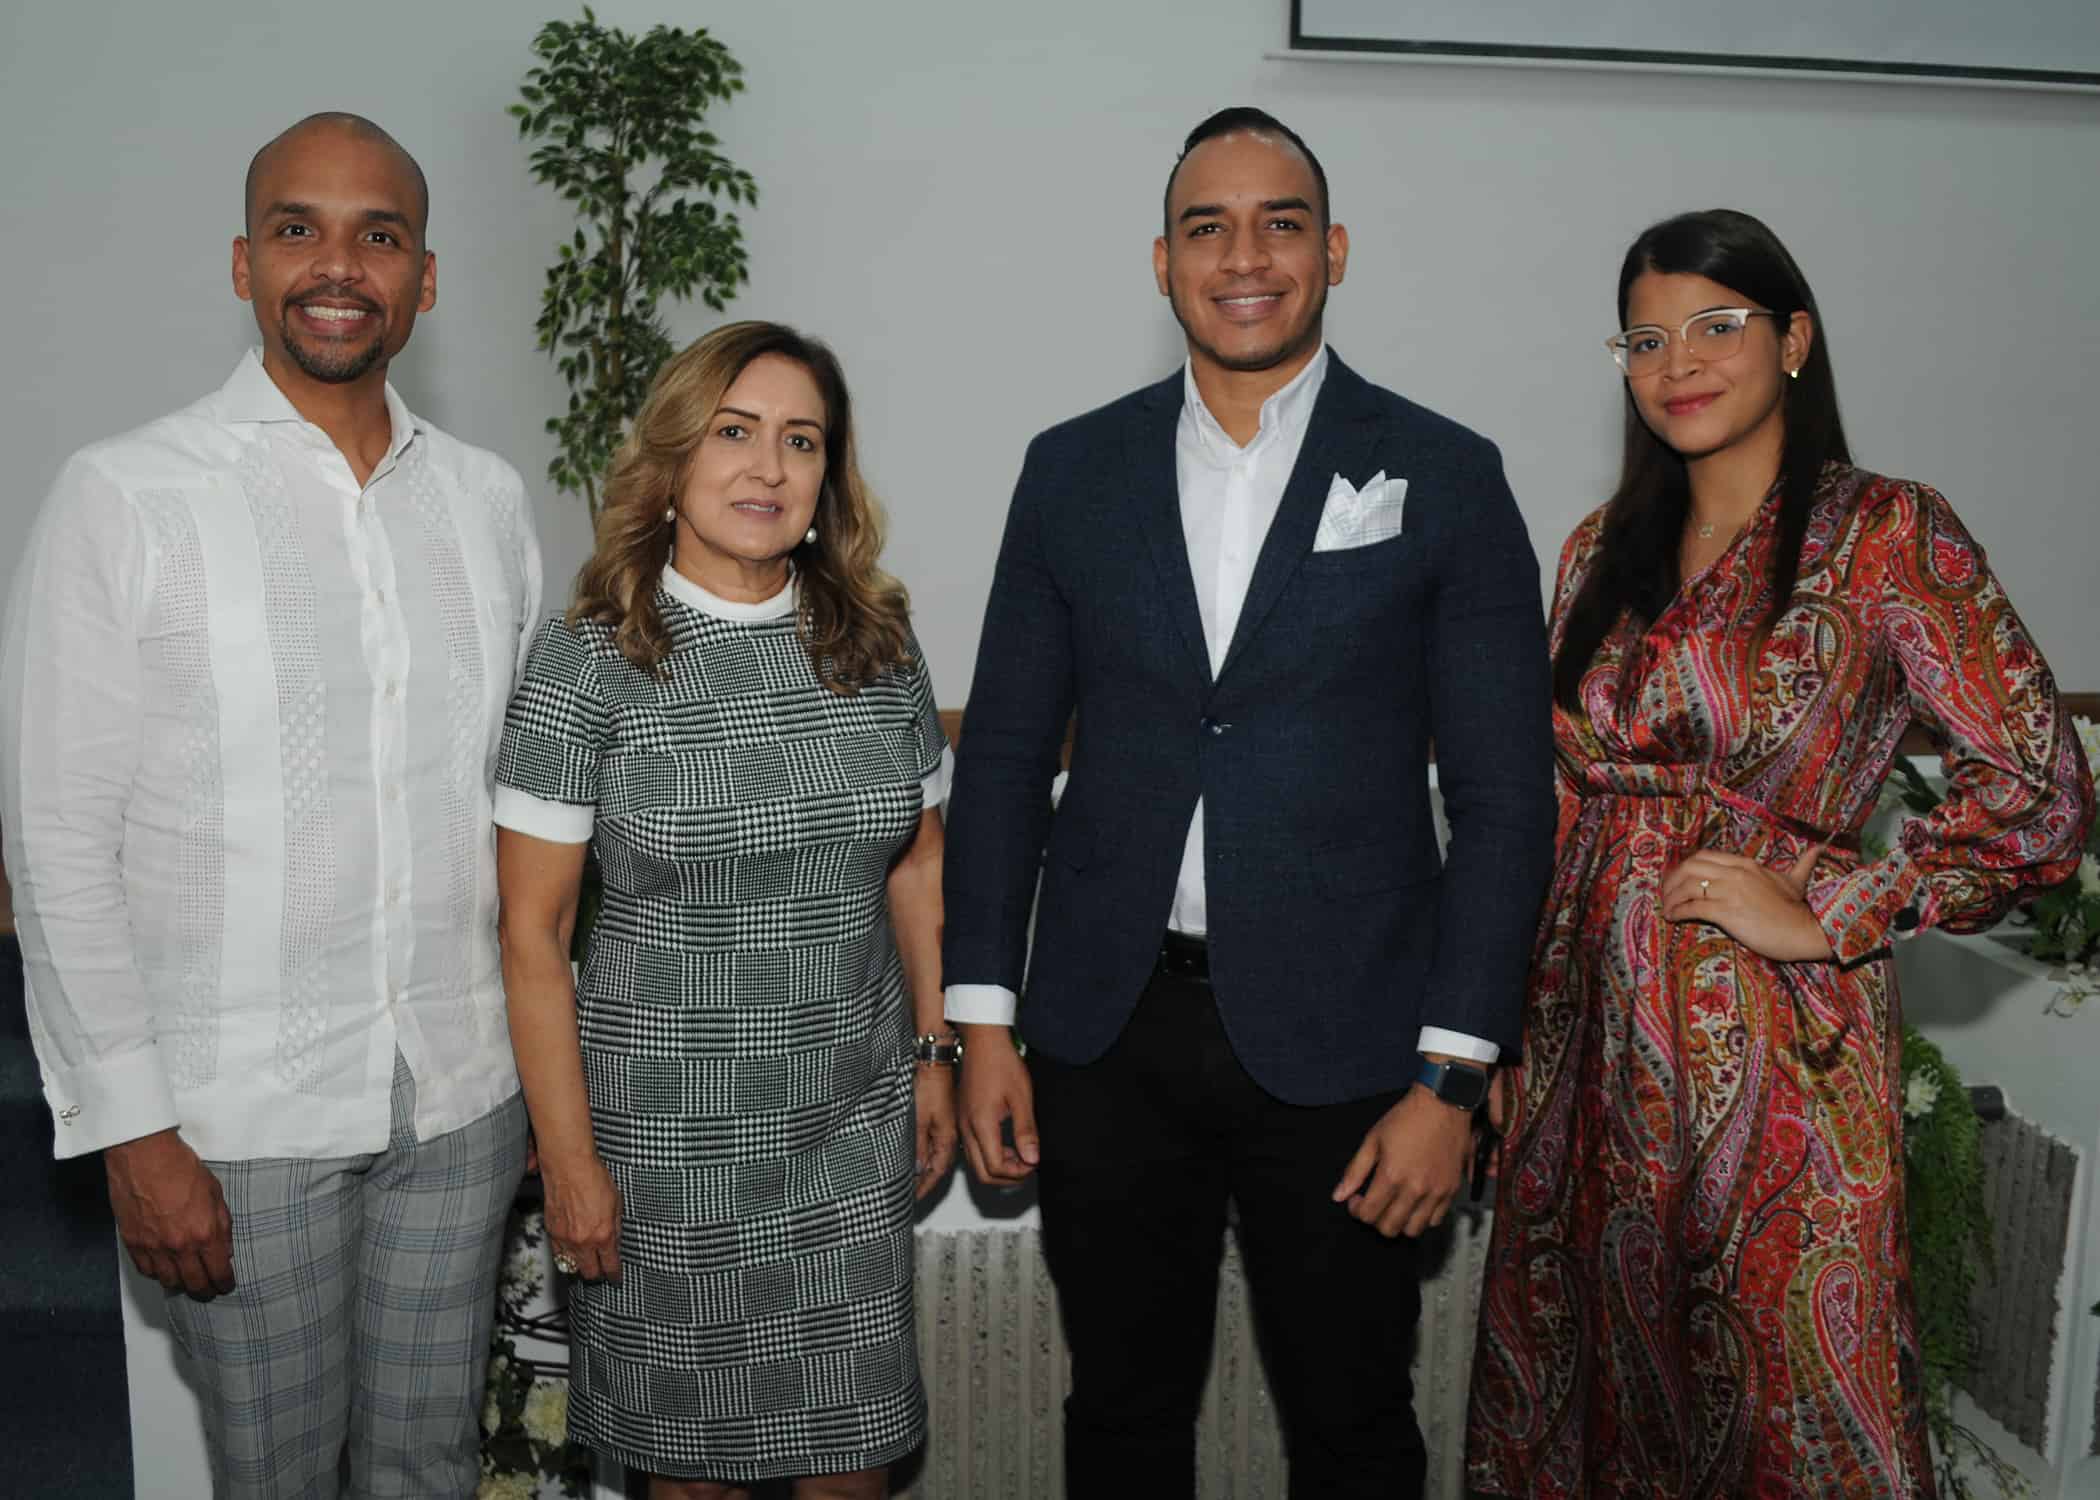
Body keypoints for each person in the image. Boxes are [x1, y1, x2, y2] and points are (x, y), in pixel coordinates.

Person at [941, 107, 1556, 1498]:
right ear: (1162, 263)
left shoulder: (1446, 475)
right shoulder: (1071, 469)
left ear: (1331, 250)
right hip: (1108, 1032)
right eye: (1208, 227)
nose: (1245, 255)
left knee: (1351, 1423)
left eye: (1279, 221)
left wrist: (1452, 1077)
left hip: (1353, 1045)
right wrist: (981, 1022)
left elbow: (1510, 799)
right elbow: (1002, 760)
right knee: (1121, 1416)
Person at [1465, 208, 2096, 1497]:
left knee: (1786, 1416)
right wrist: (1502, 1038)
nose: (1677, 363)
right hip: (1583, 1061)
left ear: (1795, 340)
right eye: (1645, 338)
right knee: (1590, 1415)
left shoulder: (1886, 536)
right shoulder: (1597, 552)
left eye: (1716, 325)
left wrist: (1841, 904)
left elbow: (2037, 786)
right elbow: (1547, 809)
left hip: (1773, 1061)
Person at [0, 113, 541, 1496]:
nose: (338, 264)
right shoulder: (124, 498)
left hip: (461, 1099)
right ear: (243, 265)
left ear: (427, 277)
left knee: (429, 1467)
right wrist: (132, 1130)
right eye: (298, 228)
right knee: (277, 1478)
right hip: (234, 1123)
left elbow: (517, 800)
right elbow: (58, 840)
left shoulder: (485, 505)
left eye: (380, 232)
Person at [492, 321, 956, 1500]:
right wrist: (570, 1162)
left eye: (801, 441)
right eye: (735, 433)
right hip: (661, 1156)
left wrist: (935, 1054)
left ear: (828, 476)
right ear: (674, 461)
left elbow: (916, 864)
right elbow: (532, 939)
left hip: (850, 1129)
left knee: (854, 1459)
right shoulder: (584, 662)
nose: (767, 467)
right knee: (692, 1476)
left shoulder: (879, 642)